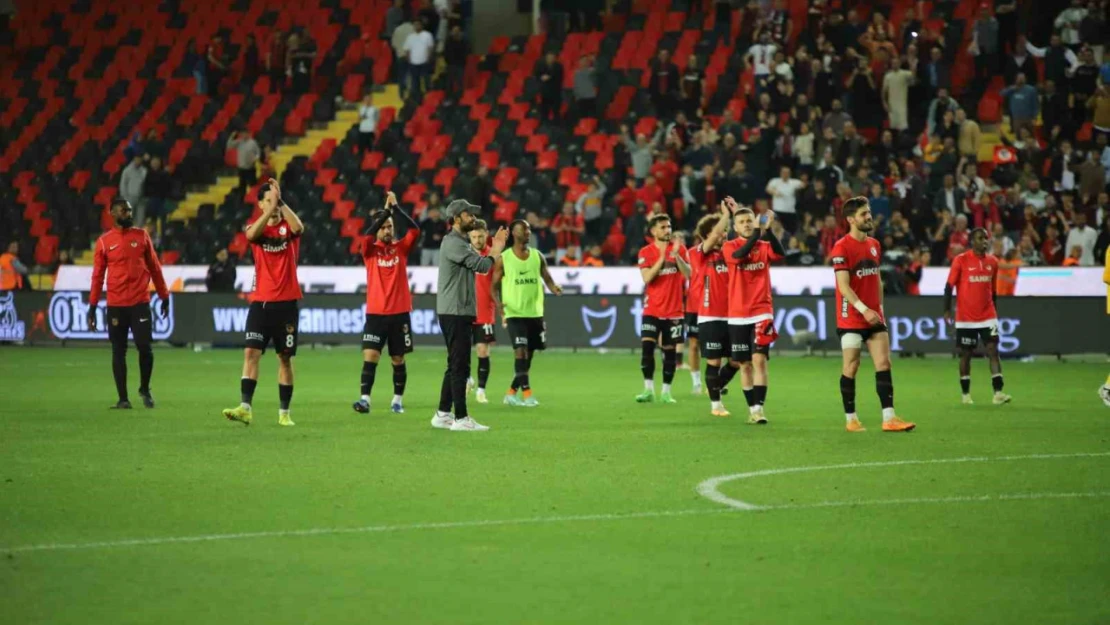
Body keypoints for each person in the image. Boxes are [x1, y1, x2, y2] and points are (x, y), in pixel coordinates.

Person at [222, 180, 305, 427]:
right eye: (268, 200)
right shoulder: (256, 230)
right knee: (251, 352)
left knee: (285, 358)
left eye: (277, 200)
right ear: (260, 204)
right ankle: (245, 408)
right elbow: (249, 235)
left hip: (287, 304)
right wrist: (269, 211)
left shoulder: (288, 229)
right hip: (261, 304)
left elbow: (299, 227)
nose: (274, 205)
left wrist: (280, 202)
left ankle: (284, 413)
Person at [831, 196, 916, 433]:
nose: (869, 217)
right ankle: (851, 419)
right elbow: (843, 286)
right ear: (850, 219)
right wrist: (864, 309)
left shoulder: (875, 245)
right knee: (851, 366)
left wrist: (879, 309)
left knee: (884, 362)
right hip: (850, 317)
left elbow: (876, 279)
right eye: (863, 214)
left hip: (873, 315)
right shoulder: (841, 247)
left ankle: (889, 418)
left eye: (868, 212)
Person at [433, 200, 509, 432]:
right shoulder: (454, 243)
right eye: (468, 214)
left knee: (454, 364)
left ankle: (443, 414)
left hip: (457, 310)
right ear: (457, 218)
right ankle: (461, 418)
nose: (472, 218)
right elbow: (483, 266)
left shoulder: (459, 242)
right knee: (460, 367)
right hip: (455, 311)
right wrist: (496, 247)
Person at [86, 198, 170, 409]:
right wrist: (93, 306)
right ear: (112, 213)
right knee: (118, 350)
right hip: (116, 304)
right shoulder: (104, 242)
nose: (129, 214)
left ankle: (144, 388)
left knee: (145, 347)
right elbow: (97, 276)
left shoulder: (142, 236)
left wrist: (164, 295)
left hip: (140, 301)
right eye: (124, 211)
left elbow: (155, 267)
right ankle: (123, 399)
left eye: (130, 210)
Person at [352, 191, 420, 416]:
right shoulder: (370, 251)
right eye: (384, 227)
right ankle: (364, 400)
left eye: (390, 226)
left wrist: (396, 209)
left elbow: (415, 230)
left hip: (400, 313)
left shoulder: (401, 248)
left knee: (397, 358)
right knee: (370, 356)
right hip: (376, 314)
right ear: (377, 229)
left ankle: (397, 401)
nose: (388, 230)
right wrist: (385, 213)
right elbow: (365, 237)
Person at [722, 206, 784, 424]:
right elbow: (740, 255)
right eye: (742, 222)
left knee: (759, 360)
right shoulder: (729, 246)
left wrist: (768, 231)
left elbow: (780, 253)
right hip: (737, 314)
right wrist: (758, 232)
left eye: (750, 220)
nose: (747, 224)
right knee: (744, 364)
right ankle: (751, 408)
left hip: (762, 310)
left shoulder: (764, 245)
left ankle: (759, 409)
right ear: (735, 227)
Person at [494, 219, 563, 407]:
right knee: (520, 353)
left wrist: (554, 288)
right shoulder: (504, 258)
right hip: (514, 313)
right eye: (524, 229)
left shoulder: (537, 256)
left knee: (528, 356)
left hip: (534, 313)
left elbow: (547, 278)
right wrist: (498, 305)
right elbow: (494, 286)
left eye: (529, 229)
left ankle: (510, 393)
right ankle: (527, 394)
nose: (528, 232)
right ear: (514, 233)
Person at [944, 228, 1011, 406]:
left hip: (988, 315)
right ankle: (965, 394)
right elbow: (949, 286)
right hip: (966, 318)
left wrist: (995, 312)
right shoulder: (961, 260)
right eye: (980, 238)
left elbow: (994, 290)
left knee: (993, 351)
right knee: (966, 355)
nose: (984, 241)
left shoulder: (993, 262)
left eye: (986, 238)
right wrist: (947, 310)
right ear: (972, 241)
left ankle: (998, 393)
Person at [635, 214, 691, 404]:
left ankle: (666, 392)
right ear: (653, 231)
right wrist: (663, 257)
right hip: (652, 309)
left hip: (674, 311)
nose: (667, 230)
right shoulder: (645, 252)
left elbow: (689, 274)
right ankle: (648, 389)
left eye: (669, 226)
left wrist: (677, 258)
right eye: (663, 227)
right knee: (647, 348)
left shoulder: (680, 249)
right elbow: (647, 277)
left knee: (669, 352)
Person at [688, 201, 734, 416]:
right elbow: (715, 237)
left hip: (735, 315)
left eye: (726, 230)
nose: (724, 233)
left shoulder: (731, 254)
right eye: (722, 230)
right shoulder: (697, 253)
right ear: (708, 233)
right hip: (710, 315)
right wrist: (726, 215)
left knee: (738, 360)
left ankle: (713, 385)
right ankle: (716, 406)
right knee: (714, 361)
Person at [466, 220, 497, 404]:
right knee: (461, 350)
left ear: (486, 235)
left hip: (485, 310)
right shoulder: (465, 254)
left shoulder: (493, 255)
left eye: (480, 236)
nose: (477, 240)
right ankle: (468, 378)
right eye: (474, 237)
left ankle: (481, 390)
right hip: (466, 309)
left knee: (482, 350)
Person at [402, 19, 435, 101]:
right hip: (413, 63)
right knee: (415, 82)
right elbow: (407, 50)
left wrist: (429, 58)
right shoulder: (410, 37)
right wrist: (408, 59)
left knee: (426, 80)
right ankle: (417, 98)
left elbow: (430, 48)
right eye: (415, 25)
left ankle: (429, 97)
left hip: (425, 62)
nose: (417, 26)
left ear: (422, 26)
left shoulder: (427, 35)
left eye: (418, 24)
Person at [765, 166, 804, 234]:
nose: (785, 174)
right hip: (778, 211)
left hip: (790, 211)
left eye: (787, 172)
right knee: (776, 230)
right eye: (783, 172)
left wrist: (797, 190)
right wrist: (775, 192)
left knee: (790, 231)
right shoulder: (775, 181)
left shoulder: (794, 182)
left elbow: (803, 185)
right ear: (780, 173)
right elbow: (767, 189)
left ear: (790, 173)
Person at [536, 52, 564, 121]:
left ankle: (556, 121)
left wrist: (550, 77)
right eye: (548, 58)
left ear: (555, 58)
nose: (550, 59)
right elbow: (537, 75)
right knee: (544, 109)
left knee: (556, 109)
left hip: (555, 91)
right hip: (545, 91)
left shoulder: (558, 66)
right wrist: (541, 78)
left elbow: (560, 77)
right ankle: (544, 121)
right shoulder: (541, 65)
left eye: (552, 57)